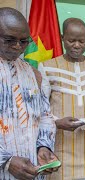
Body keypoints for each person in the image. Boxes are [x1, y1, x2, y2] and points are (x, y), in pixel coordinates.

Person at [38, 18, 85, 179]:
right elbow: (40, 107)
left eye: (82, 41)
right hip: (61, 148)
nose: (77, 45)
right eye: (71, 40)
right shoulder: (47, 67)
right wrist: (57, 122)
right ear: (62, 38)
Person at [0, 7, 59, 179]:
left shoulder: (34, 74)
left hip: (32, 172)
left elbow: (45, 117)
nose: (18, 46)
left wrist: (44, 147)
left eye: (24, 41)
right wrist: (7, 161)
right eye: (10, 40)